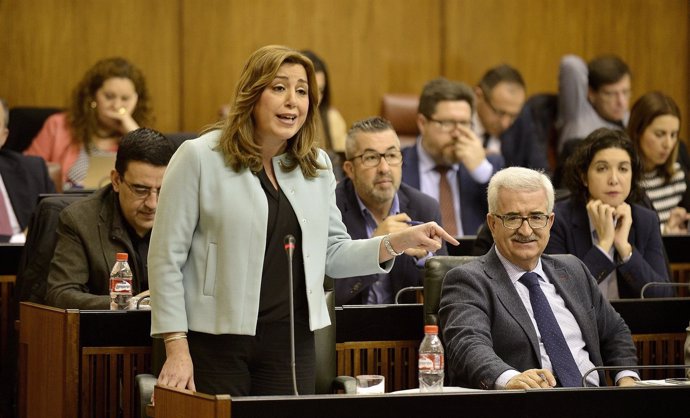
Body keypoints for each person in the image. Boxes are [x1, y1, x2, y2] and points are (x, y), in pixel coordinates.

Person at [148, 45, 457, 397]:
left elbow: (332, 253)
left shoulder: (316, 166)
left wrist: (394, 244)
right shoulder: (200, 157)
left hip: (291, 342)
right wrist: (176, 347)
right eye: (279, 88)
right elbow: (165, 260)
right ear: (252, 93)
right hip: (215, 341)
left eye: (302, 91)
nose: (292, 101)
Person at [439, 166, 639, 389]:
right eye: (513, 218)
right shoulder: (468, 280)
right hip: (527, 405)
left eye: (536, 217)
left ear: (550, 221)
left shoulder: (574, 270)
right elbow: (468, 344)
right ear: (493, 223)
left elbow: (615, 331)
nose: (526, 231)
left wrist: (626, 377)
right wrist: (508, 378)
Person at [45, 128, 174, 309]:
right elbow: (61, 294)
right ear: (115, 180)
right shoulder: (79, 220)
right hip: (106, 334)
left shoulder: (185, 216)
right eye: (140, 189)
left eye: (162, 189)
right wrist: (130, 305)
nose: (152, 203)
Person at [545, 128, 673, 299]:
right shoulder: (558, 220)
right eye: (602, 168)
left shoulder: (645, 220)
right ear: (584, 176)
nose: (614, 179)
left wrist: (625, 249)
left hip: (634, 325)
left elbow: (664, 296)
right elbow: (562, 294)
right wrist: (604, 245)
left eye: (623, 169)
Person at [335, 116, 446, 305]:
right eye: (370, 158)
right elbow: (324, 295)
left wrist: (424, 257)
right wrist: (374, 249)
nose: (384, 168)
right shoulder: (332, 209)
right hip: (346, 331)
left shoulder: (424, 208)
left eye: (392, 155)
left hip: (405, 330)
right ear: (350, 169)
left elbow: (449, 292)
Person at [25, 57, 153, 190]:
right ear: (93, 96)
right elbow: (26, 170)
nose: (117, 106)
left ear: (136, 100)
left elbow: (154, 178)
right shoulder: (58, 125)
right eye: (109, 97)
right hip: (65, 205)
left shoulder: (138, 135)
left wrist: (132, 132)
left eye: (125, 99)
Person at [402, 77, 504, 236]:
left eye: (464, 124)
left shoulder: (489, 165)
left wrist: (482, 172)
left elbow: (508, 217)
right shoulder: (396, 166)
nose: (457, 133)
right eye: (447, 123)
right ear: (422, 123)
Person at [627, 91, 690, 234]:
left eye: (673, 135)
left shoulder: (678, 175)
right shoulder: (622, 181)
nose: (668, 144)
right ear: (638, 132)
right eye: (660, 134)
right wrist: (665, 233)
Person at [474, 65, 549, 172]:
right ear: (479, 96)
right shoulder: (457, 120)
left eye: (513, 116)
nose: (505, 124)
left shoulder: (523, 119)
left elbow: (541, 173)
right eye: (500, 113)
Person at [0, 98, 55, 242]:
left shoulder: (32, 169)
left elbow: (56, 220)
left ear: (3, 137)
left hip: (33, 259)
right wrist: (19, 239)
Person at [557, 54, 631, 152]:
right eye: (610, 94)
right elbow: (570, 64)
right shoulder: (578, 113)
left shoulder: (631, 119)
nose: (621, 102)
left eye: (625, 92)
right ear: (591, 94)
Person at [300, 50, 347, 154]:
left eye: (320, 91)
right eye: (309, 90)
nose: (316, 98)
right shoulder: (285, 124)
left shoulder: (332, 118)